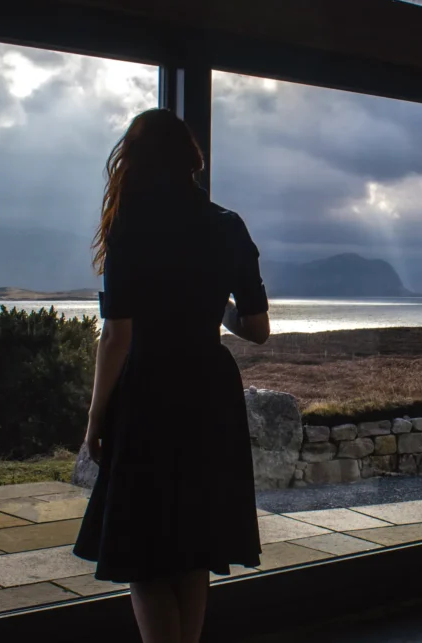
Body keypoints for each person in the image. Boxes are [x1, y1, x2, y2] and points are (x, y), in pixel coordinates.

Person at [74, 108, 270, 643]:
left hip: (148, 393)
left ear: (134, 162)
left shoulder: (130, 226)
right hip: (210, 390)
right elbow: (256, 328)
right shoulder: (228, 225)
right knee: (193, 546)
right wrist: (219, 308)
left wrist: (95, 417)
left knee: (144, 553)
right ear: (192, 160)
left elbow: (117, 336)